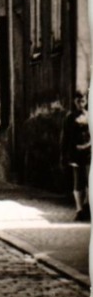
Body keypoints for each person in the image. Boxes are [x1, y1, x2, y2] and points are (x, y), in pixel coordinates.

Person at [61, 90, 90, 221]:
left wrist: (88, 144)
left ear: (87, 101)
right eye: (78, 101)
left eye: (83, 100)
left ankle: (88, 206)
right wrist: (64, 154)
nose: (80, 103)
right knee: (78, 180)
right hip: (76, 153)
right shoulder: (70, 118)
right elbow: (65, 138)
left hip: (90, 152)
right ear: (74, 102)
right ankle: (79, 209)